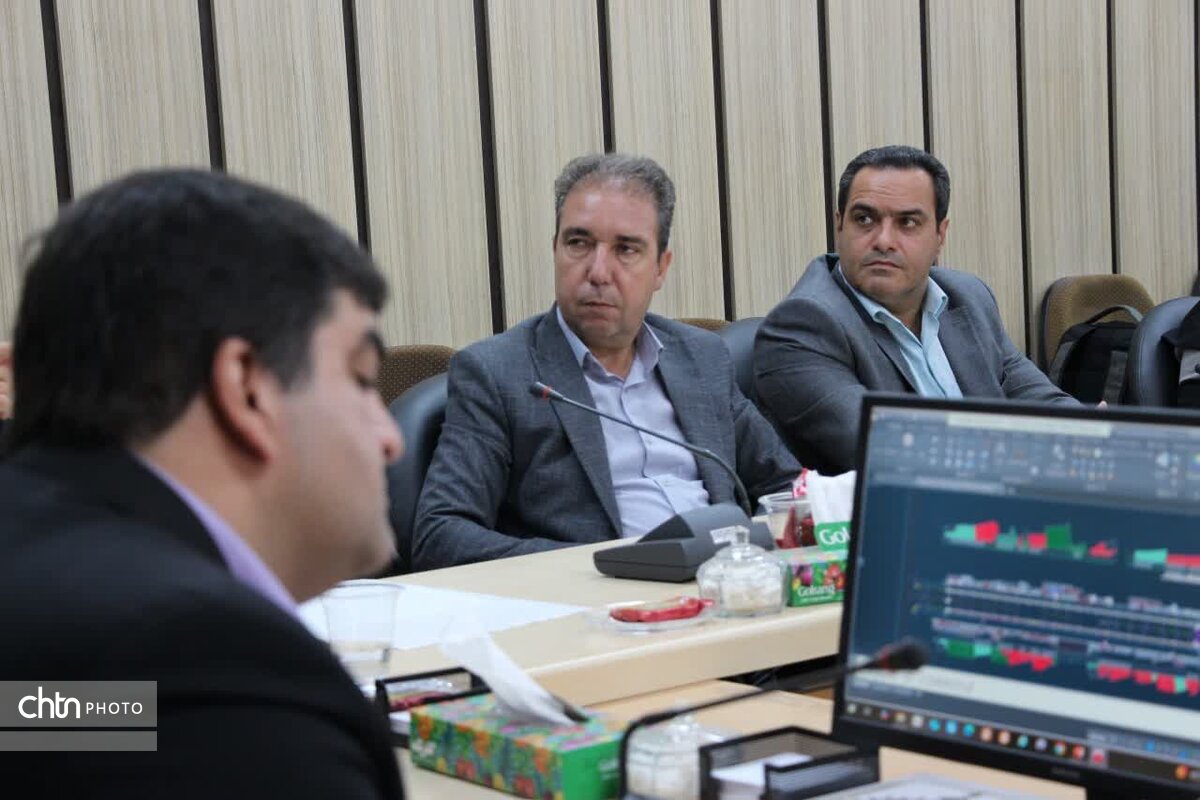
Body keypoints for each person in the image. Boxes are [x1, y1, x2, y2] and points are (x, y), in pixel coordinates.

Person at [0, 170, 405, 798]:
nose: (391, 438)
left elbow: (41, 720)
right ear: (248, 388)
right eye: (362, 378)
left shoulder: (83, 665)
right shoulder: (212, 671)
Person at [413, 153, 799, 569]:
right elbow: (441, 534)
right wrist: (602, 566)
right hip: (600, 598)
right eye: (578, 243)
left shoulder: (700, 357)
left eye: (625, 249)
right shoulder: (497, 372)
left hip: (730, 582)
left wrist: (758, 551)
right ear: (555, 249)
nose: (598, 272)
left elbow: (788, 488)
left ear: (661, 268)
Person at [755, 145, 1074, 475]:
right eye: (864, 219)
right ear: (839, 226)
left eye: (907, 222)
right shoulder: (801, 328)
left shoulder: (967, 296)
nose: (883, 241)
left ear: (940, 235)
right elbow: (895, 452)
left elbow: (1039, 400)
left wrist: (1091, 433)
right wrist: (1042, 454)